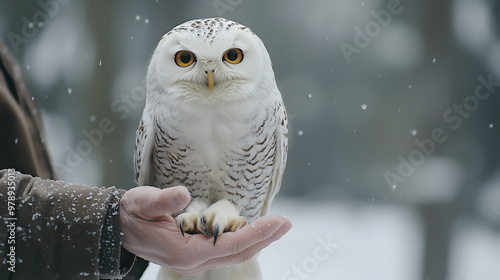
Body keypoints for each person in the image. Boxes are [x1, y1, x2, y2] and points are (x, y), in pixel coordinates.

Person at [0, 38, 292, 279]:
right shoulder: (157, 116)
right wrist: (112, 224)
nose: (210, 76)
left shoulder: (271, 111)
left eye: (232, 55)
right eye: (185, 60)